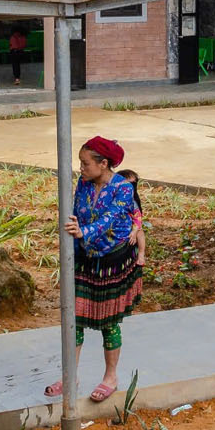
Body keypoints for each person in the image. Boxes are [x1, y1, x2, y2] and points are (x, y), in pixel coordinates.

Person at [46, 135, 142, 404]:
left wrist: (82, 231)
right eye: (80, 163)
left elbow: (110, 220)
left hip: (112, 261)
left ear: (103, 163)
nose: (81, 168)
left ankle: (110, 377)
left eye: (85, 163)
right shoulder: (84, 184)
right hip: (85, 258)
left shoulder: (123, 188)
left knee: (108, 322)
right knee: (74, 317)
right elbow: (77, 211)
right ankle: (69, 376)